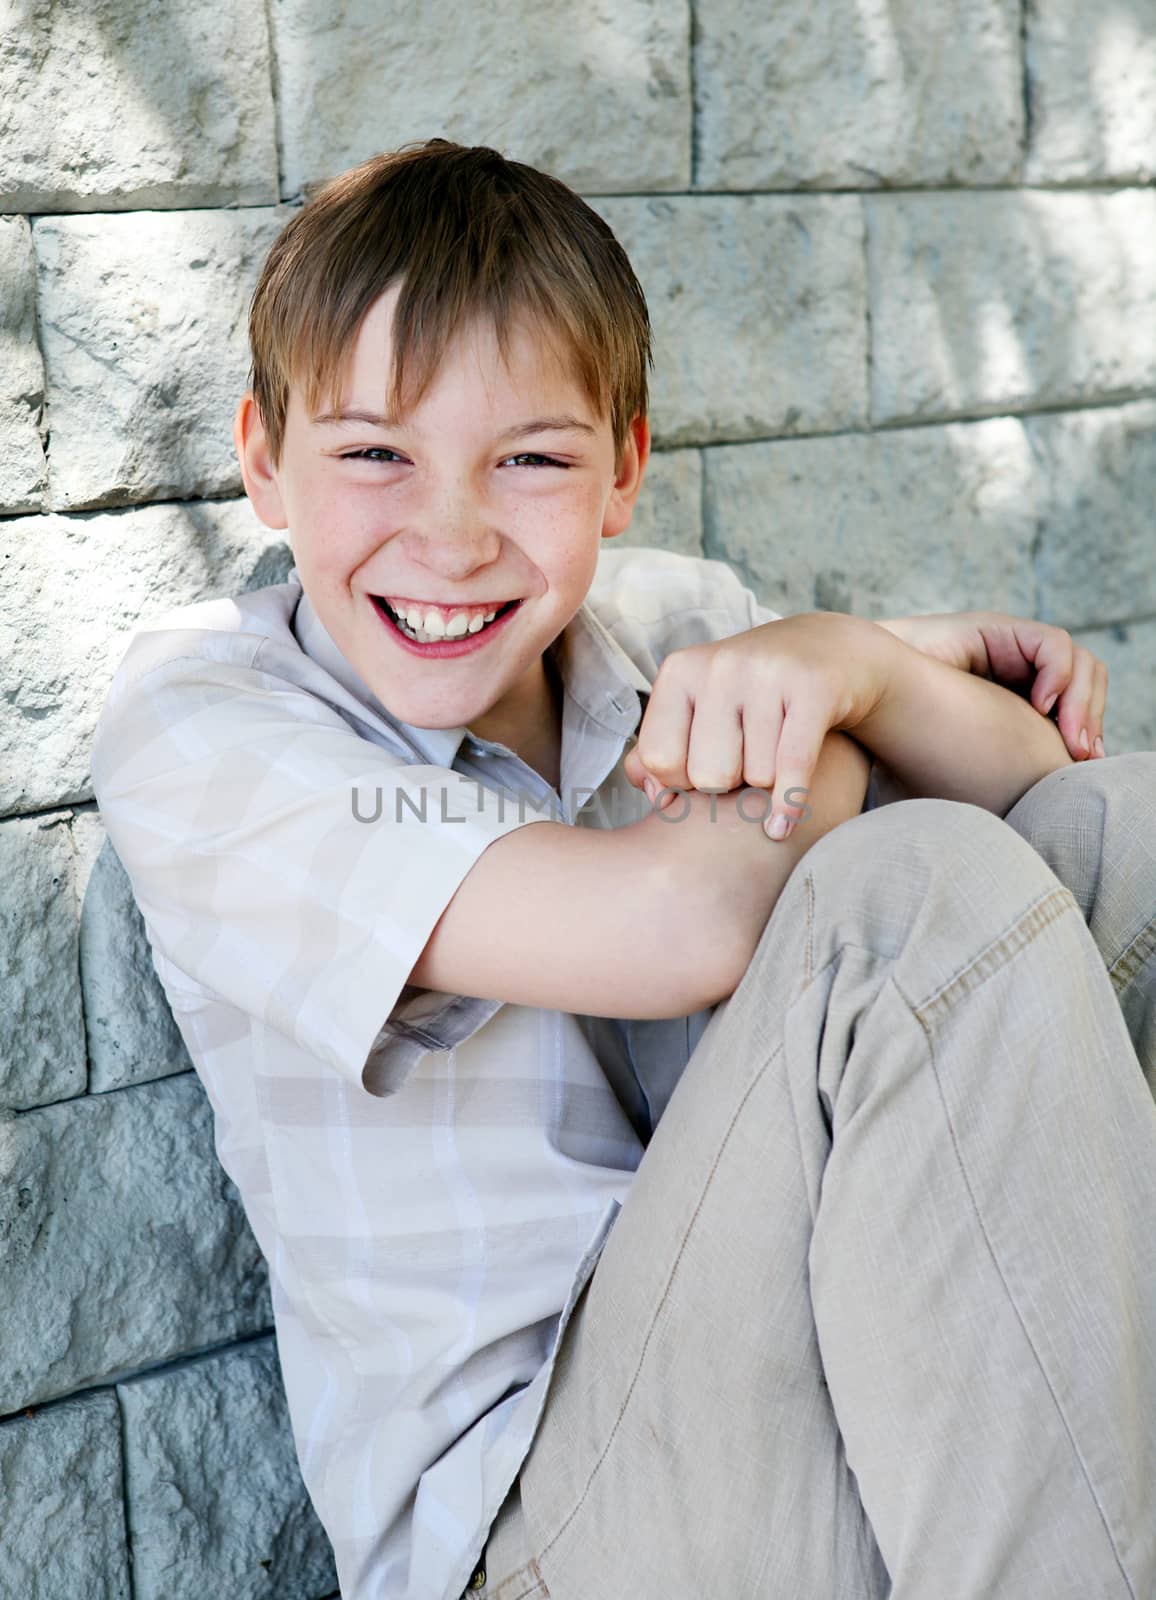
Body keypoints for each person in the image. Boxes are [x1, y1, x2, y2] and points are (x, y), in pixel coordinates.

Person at [88, 138, 1156, 1600]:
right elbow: (686, 919)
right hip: (540, 1525)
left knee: (1127, 833)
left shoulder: (666, 619)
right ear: (265, 462)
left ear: (623, 473)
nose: (452, 538)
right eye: (373, 453)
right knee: (908, 897)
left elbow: (1058, 800)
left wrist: (852, 668)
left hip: (798, 1355)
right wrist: (843, 689)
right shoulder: (206, 721)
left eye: (530, 459)